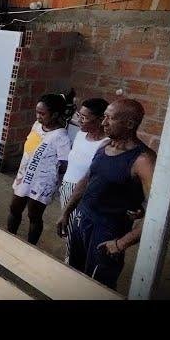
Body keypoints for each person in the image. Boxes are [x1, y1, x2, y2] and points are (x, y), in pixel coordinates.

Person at [56, 99, 156, 290]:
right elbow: (86, 180)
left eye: (110, 118)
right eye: (104, 118)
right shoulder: (105, 147)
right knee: (73, 275)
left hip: (108, 231)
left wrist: (121, 243)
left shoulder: (143, 160)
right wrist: (67, 211)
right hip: (82, 220)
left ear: (130, 123)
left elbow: (157, 213)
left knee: (97, 285)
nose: (103, 123)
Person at [8, 92, 73, 245]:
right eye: (37, 112)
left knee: (34, 215)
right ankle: (9, 237)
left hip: (42, 183)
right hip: (25, 176)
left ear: (55, 114)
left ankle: (31, 247)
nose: (38, 116)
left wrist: (48, 172)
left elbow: (64, 164)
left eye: (42, 113)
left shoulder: (61, 137)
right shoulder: (37, 126)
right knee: (14, 208)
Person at [59, 98, 110, 263]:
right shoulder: (80, 135)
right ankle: (70, 260)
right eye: (78, 115)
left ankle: (72, 266)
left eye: (85, 117)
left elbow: (92, 177)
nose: (79, 120)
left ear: (101, 119)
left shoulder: (105, 144)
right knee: (68, 231)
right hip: (67, 187)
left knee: (76, 235)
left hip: (84, 193)